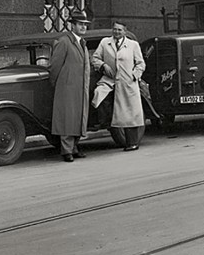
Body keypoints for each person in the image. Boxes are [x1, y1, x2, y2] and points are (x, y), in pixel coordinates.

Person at [92, 21, 146, 151]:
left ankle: (132, 142)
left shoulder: (132, 45)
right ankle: (105, 122)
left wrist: (134, 75)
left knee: (130, 113)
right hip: (109, 80)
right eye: (115, 29)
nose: (116, 32)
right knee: (99, 95)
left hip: (128, 83)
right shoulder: (105, 43)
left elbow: (141, 63)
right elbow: (95, 58)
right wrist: (103, 66)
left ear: (125, 32)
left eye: (120, 30)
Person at [48, 10, 91, 162]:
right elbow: (55, 66)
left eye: (85, 25)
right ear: (72, 25)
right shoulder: (64, 41)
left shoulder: (82, 43)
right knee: (67, 118)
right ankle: (66, 150)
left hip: (80, 88)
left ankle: (74, 147)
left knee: (77, 118)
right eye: (80, 24)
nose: (83, 28)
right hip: (67, 87)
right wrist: (58, 84)